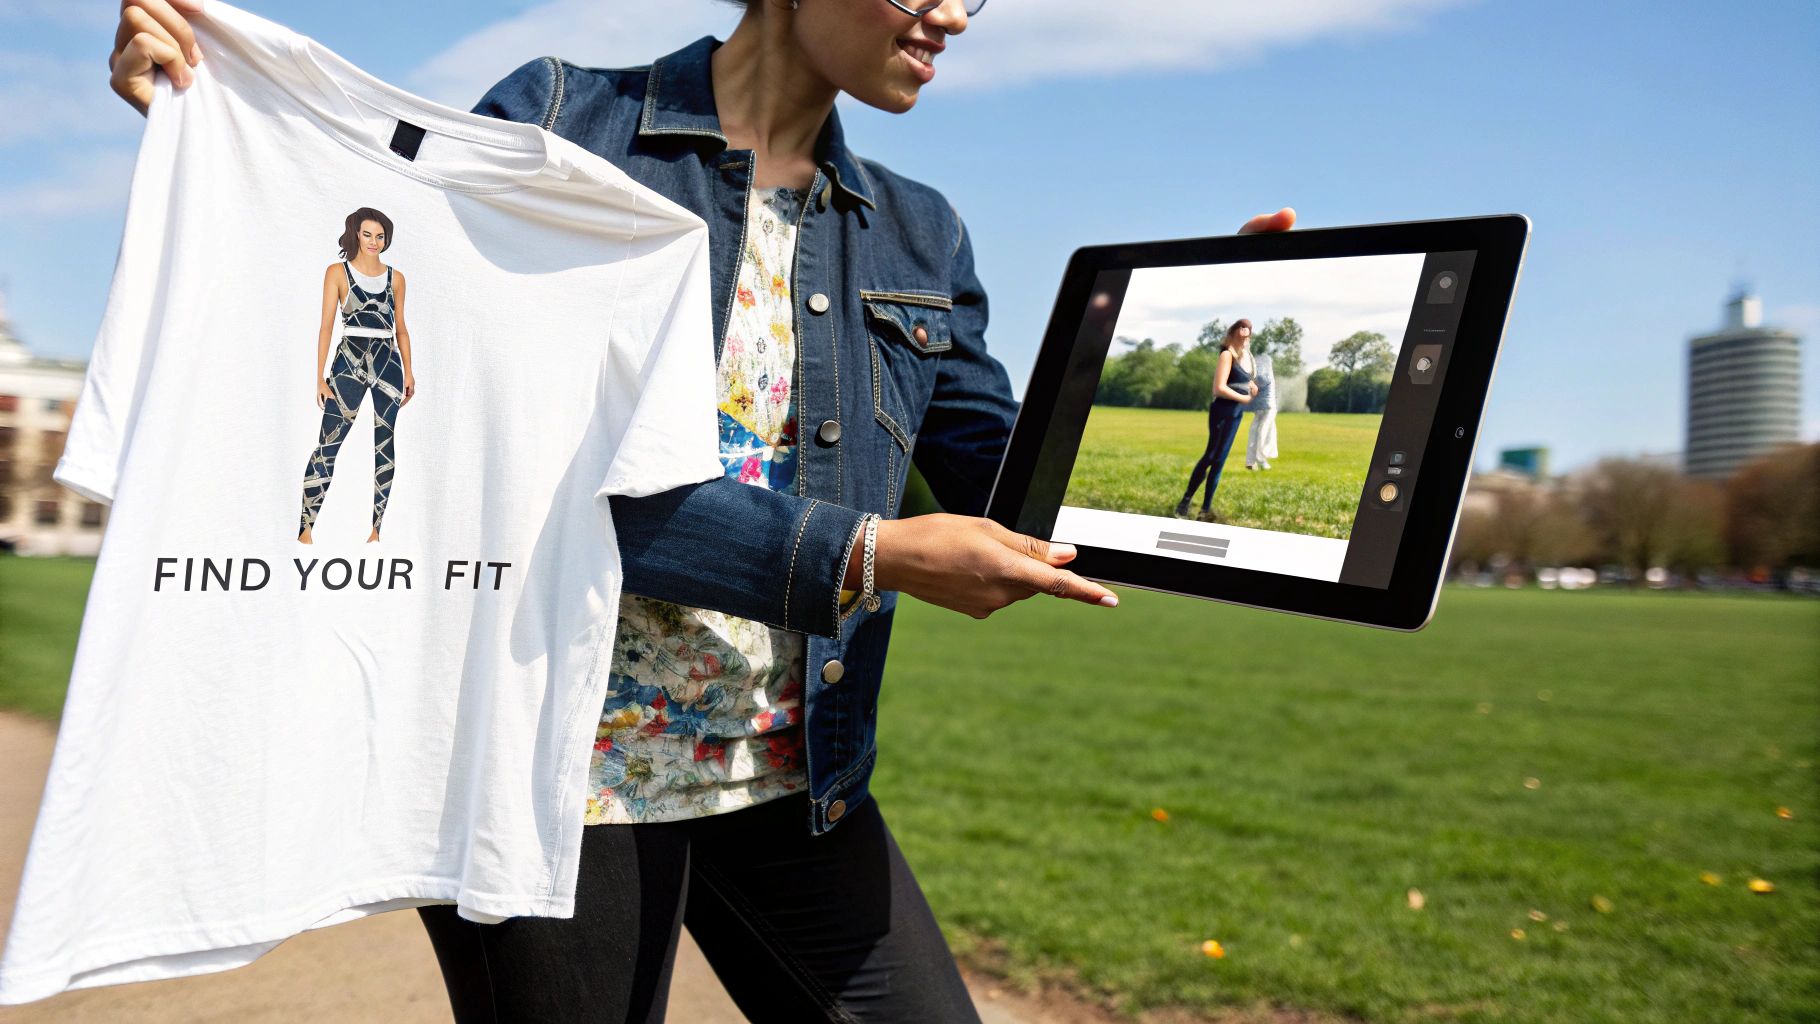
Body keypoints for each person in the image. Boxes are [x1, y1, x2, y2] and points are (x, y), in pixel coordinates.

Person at [107, 0, 1294, 1018]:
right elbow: (498, 463)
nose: (950, 15)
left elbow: (1017, 491)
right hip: (553, 774)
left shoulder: (919, 232)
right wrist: (208, 112)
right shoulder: (561, 122)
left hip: (786, 770)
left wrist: (1167, 330)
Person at [299, 208, 415, 543]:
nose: (373, 242)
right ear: (355, 234)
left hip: (388, 361)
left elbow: (402, 329)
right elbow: (326, 326)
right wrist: (320, 376)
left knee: (385, 442)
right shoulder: (337, 272)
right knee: (329, 442)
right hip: (348, 359)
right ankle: (305, 528)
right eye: (367, 234)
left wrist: (409, 371)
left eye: (380, 236)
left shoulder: (396, 278)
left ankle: (376, 531)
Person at [1177, 319, 1258, 519]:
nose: (1246, 336)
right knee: (1211, 456)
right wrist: (1246, 398)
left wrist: (1252, 390)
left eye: (1248, 332)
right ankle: (1185, 501)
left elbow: (1243, 384)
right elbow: (1219, 388)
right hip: (1222, 411)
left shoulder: (1243, 359)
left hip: (1236, 413)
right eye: (1242, 329)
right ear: (1234, 332)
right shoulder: (1226, 355)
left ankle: (1205, 510)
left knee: (1220, 461)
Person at [1244, 349, 1278, 470]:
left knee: (1255, 430)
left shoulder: (1253, 364)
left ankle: (1251, 461)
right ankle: (1261, 460)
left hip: (1260, 405)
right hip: (1267, 405)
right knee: (1264, 431)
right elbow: (1263, 379)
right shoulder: (1265, 362)